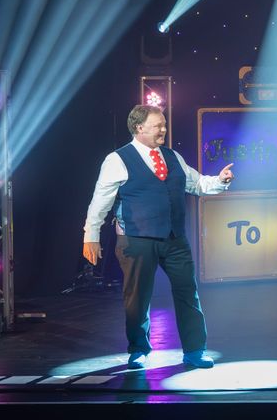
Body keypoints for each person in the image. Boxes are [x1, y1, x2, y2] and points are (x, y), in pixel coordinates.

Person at [82, 105, 234, 369]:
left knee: (188, 293)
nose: (163, 129)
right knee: (138, 298)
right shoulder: (117, 160)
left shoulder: (172, 156)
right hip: (136, 239)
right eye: (157, 126)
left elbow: (196, 183)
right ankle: (139, 349)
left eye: (164, 124)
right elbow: (100, 201)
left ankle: (195, 350)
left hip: (174, 238)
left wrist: (220, 181)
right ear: (139, 128)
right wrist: (91, 236)